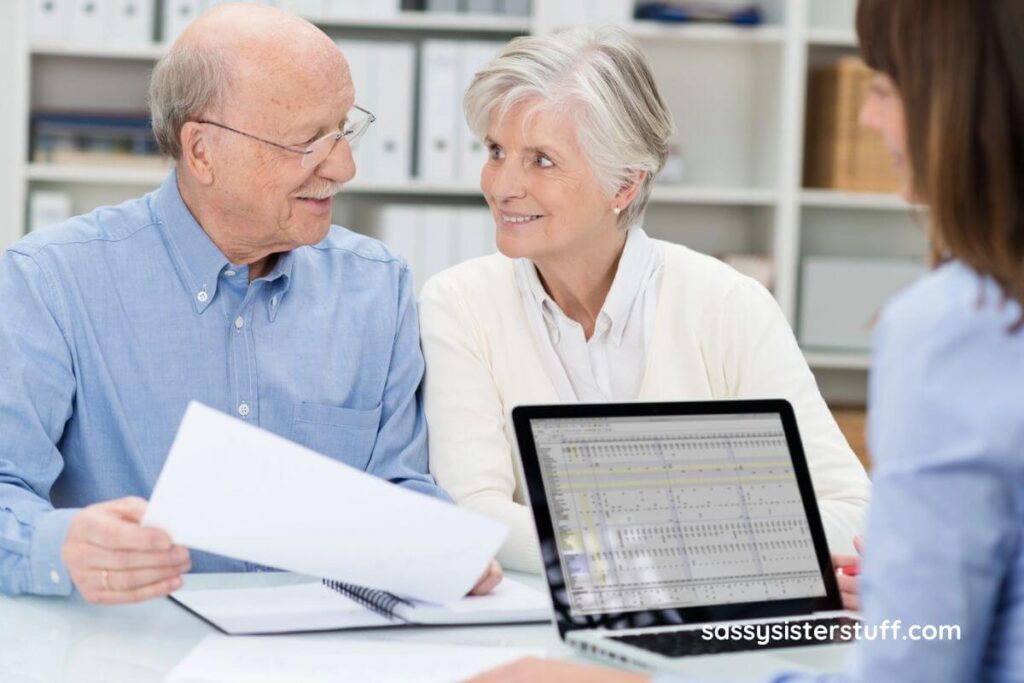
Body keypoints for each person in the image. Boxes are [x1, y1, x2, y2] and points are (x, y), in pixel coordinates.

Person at [469, 0, 1024, 680]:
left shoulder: (953, 328)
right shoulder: (464, 301)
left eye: (883, 86)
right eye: (496, 151)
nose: (864, 116)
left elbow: (911, 659)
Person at [0, 3, 500, 604]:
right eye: (309, 141)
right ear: (203, 151)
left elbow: (397, 487)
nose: (344, 166)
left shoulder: (376, 286)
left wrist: (445, 551)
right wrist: (62, 545)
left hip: (330, 654)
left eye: (344, 129)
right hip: (133, 651)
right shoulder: (50, 282)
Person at [418, 26, 871, 583]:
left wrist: (630, 552)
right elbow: (475, 510)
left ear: (624, 186)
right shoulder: (459, 304)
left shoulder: (728, 304)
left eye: (541, 161)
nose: (501, 185)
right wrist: (700, 543)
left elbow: (850, 511)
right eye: (496, 151)